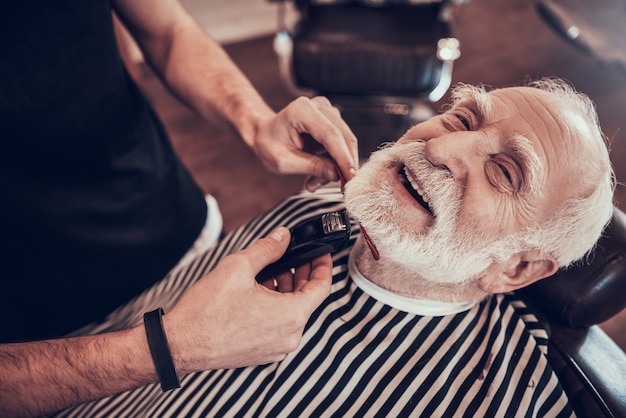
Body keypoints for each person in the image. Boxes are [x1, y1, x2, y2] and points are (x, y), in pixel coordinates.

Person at [8, 78, 612, 417]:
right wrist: (165, 349)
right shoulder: (322, 203)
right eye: (460, 121)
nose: (440, 150)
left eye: (505, 174)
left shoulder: (496, 398)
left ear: (519, 266)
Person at [0, 0, 358, 343]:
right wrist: (167, 348)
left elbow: (167, 31)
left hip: (173, 220)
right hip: (43, 323)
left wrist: (257, 123)